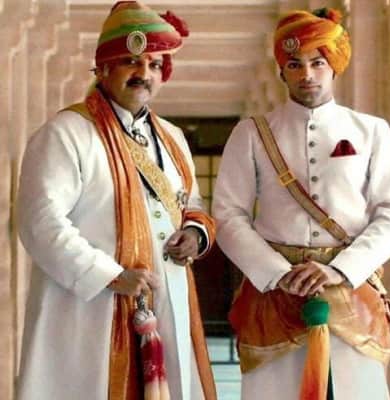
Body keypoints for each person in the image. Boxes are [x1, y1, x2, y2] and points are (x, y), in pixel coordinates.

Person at [17, 2, 217, 399]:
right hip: (92, 310)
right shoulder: (67, 133)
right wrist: (109, 275)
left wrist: (195, 232)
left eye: (154, 65)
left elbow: (190, 200)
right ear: (103, 68)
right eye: (131, 62)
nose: (144, 73)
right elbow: (40, 221)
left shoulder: (172, 138)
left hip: (168, 302)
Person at [213, 7, 390, 400]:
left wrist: (342, 269)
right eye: (295, 64)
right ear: (281, 71)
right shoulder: (251, 134)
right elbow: (228, 214)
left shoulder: (371, 131)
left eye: (317, 63)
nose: (307, 74)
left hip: (351, 291)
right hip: (275, 296)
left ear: (333, 66)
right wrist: (276, 272)